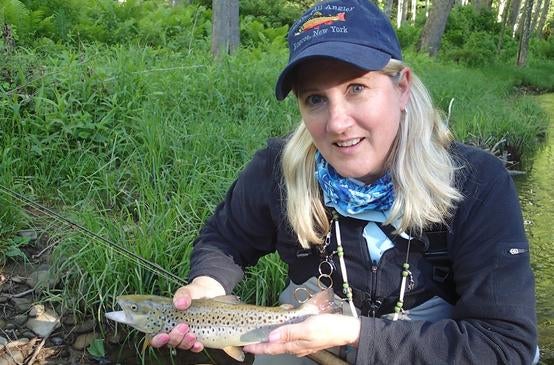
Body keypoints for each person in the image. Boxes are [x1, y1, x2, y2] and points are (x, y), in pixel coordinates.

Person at [150, 0, 538, 363]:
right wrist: (207, 287)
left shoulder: (476, 183)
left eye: (356, 89)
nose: (337, 123)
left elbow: (507, 345)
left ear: (401, 87)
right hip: (302, 333)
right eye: (316, 99)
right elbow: (225, 238)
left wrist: (355, 334)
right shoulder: (277, 169)